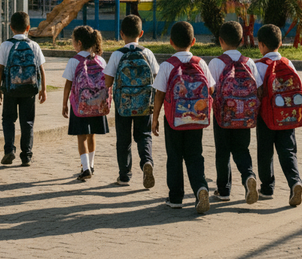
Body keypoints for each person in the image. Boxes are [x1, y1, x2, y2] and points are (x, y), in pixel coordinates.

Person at [151, 21, 215, 214]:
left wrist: (155, 118)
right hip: (196, 119)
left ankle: (175, 197)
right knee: (195, 155)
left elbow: (159, 94)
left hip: (174, 120)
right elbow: (211, 89)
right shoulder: (200, 63)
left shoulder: (167, 65)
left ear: (171, 42)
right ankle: (201, 188)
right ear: (193, 41)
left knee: (174, 157)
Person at [208, 21, 261, 204]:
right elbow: (258, 88)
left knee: (222, 152)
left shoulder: (216, 63)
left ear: (220, 40)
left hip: (222, 117)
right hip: (244, 117)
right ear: (241, 41)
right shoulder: (249, 62)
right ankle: (248, 177)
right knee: (241, 149)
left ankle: (223, 191)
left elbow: (210, 89)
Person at [104, 15, 160, 188]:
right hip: (144, 103)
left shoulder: (117, 55)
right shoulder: (147, 53)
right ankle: (146, 162)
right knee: (144, 135)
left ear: (121, 34)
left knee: (123, 139)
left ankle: (124, 176)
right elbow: (156, 78)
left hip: (123, 105)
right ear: (141, 33)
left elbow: (108, 82)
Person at [254, 24, 302, 207]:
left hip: (266, 118)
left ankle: (267, 188)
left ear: (261, 45)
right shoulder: (288, 63)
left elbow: (256, 91)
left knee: (265, 152)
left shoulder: (259, 66)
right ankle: (295, 182)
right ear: (280, 43)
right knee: (288, 151)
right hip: (287, 116)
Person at [0, 12, 47, 166]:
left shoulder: (6, 45)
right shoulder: (34, 45)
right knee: (27, 121)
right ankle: (26, 156)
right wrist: (43, 90)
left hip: (10, 89)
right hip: (29, 89)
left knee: (8, 119)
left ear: (11, 27)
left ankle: (9, 150)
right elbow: (41, 69)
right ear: (28, 28)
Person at [62, 25, 110, 181]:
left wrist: (64, 103)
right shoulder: (100, 60)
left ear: (79, 43)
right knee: (91, 135)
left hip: (80, 105)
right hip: (97, 105)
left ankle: (85, 168)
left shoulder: (74, 61)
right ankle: (92, 165)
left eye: (73, 41)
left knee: (81, 136)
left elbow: (68, 84)